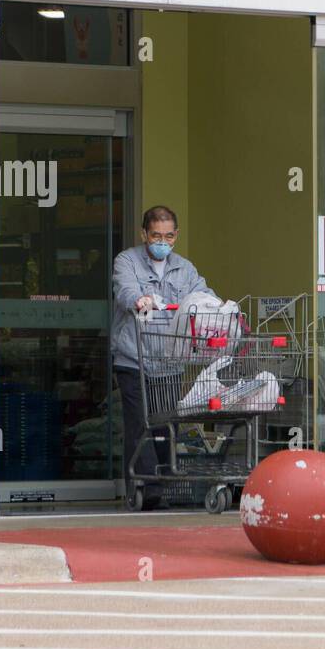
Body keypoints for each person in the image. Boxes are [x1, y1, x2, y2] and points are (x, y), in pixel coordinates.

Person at [111, 205, 210, 510]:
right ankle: (146, 490)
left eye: (168, 236)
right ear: (144, 234)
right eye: (156, 235)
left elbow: (202, 295)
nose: (162, 241)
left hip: (169, 360)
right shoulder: (127, 260)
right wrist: (138, 299)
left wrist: (215, 309)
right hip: (134, 359)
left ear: (176, 236)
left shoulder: (185, 269)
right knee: (140, 425)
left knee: (167, 426)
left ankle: (165, 484)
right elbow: (124, 289)